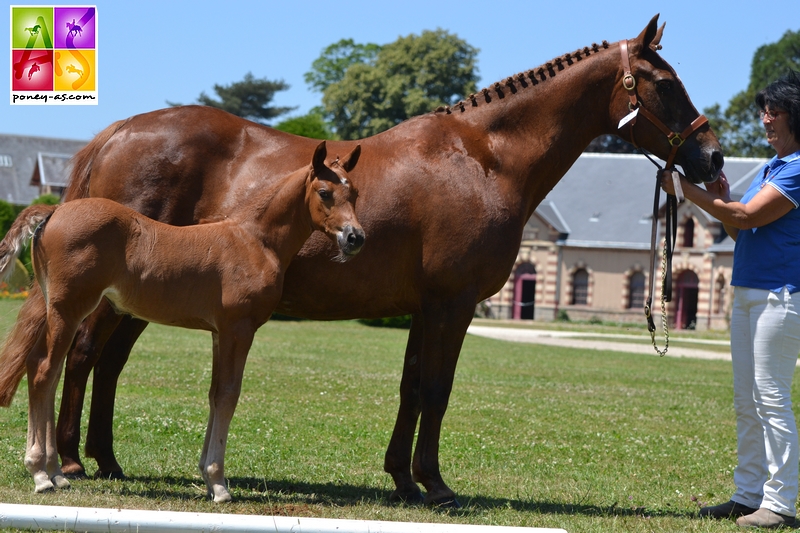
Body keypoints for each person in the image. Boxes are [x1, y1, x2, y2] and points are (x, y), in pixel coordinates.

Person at [661, 70, 800, 529]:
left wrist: (689, 192)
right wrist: (719, 200)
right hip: (747, 294)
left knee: (772, 399)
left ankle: (779, 504)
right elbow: (740, 229)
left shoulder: (798, 169)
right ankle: (748, 494)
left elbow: (746, 212)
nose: (765, 119)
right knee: (747, 400)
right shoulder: (769, 168)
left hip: (779, 299)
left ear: (794, 117)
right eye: (765, 111)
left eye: (773, 112)